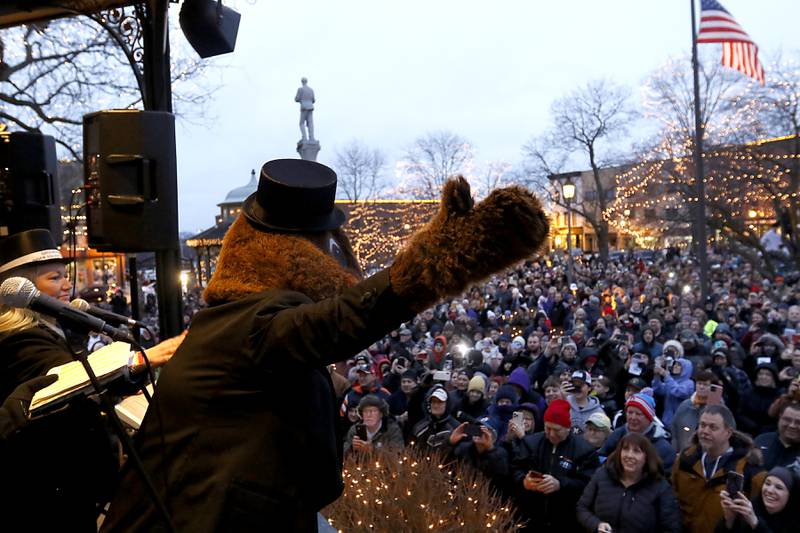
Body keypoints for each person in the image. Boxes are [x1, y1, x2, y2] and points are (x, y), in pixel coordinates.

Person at [101, 166, 550, 531]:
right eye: (329, 245)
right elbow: (340, 322)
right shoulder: (255, 321)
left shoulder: (231, 320)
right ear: (300, 251)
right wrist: (440, 258)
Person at [0, 229, 182, 530]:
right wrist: (141, 359)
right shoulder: (22, 341)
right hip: (48, 501)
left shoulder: (45, 333)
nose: (67, 285)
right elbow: (66, 380)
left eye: (64, 276)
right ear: (23, 290)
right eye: (54, 278)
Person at [672, 405, 767, 533]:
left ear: (728, 432)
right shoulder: (685, 460)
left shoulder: (749, 471)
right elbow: (672, 498)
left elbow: (756, 517)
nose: (705, 431)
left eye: (713, 427)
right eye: (702, 425)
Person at [511, 399, 598, 531]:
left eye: (557, 430)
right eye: (548, 428)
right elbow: (514, 470)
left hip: (566, 518)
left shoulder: (585, 451)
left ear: (568, 428)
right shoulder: (530, 443)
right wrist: (524, 481)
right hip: (530, 516)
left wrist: (560, 484)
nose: (551, 434)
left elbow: (588, 484)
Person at [577, 432, 681, 533]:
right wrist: (596, 525)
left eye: (636, 451)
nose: (629, 455)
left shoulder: (660, 487)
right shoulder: (602, 475)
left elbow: (671, 528)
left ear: (647, 457)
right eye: (625, 449)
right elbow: (582, 508)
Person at [600, 391, 676, 474]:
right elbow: (601, 456)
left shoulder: (663, 447)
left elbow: (666, 478)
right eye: (630, 412)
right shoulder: (617, 435)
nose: (633, 417)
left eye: (638, 414)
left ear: (649, 417)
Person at [716, 466, 799, 532]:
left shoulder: (794, 521)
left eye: (779, 487)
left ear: (790, 495)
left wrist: (755, 523)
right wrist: (729, 519)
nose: (769, 490)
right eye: (767, 483)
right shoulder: (751, 508)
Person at [754, 402, 800, 470]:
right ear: (779, 418)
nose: (792, 425)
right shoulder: (762, 440)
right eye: (787, 419)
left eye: (798, 422)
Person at [295, 76, 316, 142]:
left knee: (301, 123)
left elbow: (296, 99)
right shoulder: (311, 90)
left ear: (302, 82)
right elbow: (313, 100)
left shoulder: (300, 89)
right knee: (310, 123)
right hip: (310, 107)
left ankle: (304, 138)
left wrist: (301, 100)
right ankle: (311, 137)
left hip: (304, 107)